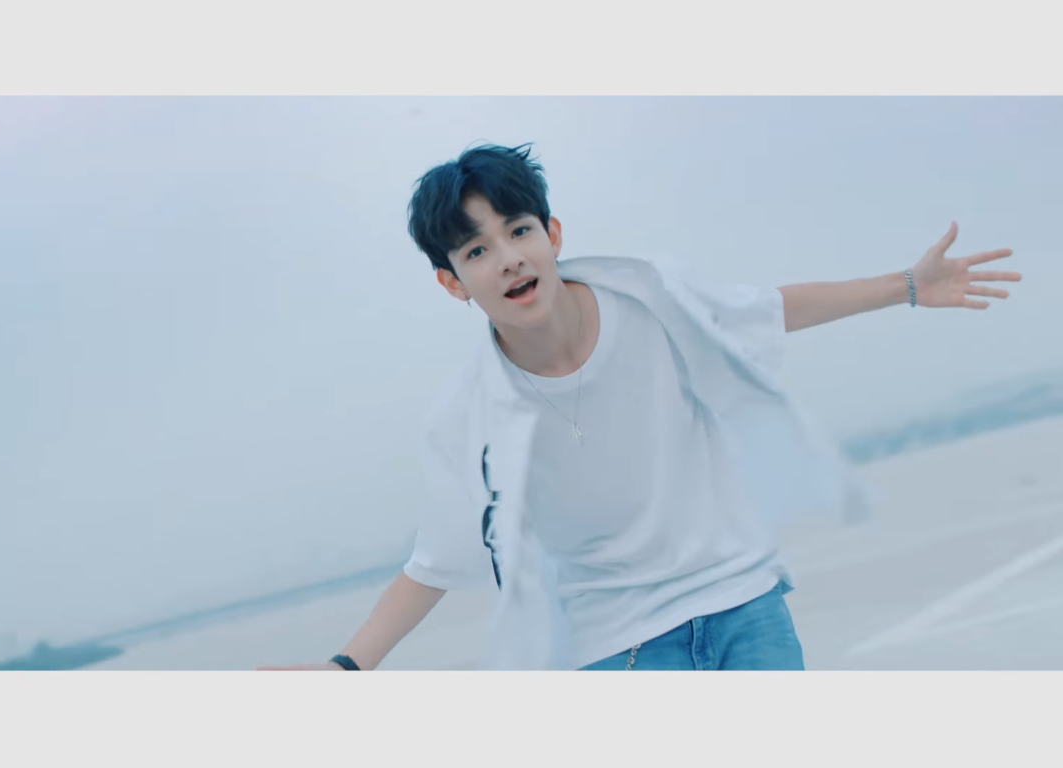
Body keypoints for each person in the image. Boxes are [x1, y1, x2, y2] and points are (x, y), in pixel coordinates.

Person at [261, 143, 1021, 671]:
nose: (509, 257)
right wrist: (346, 666)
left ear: (553, 234)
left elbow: (770, 309)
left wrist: (909, 286)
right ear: (452, 282)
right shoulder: (471, 416)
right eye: (477, 251)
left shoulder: (649, 298)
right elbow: (434, 559)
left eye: (519, 231)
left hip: (743, 607)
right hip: (615, 649)